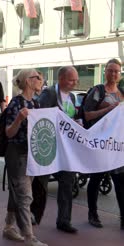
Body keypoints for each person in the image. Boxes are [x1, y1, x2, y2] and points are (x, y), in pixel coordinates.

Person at [3, 69, 47, 246]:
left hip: (32, 155)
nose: (41, 80)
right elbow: (9, 133)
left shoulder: (35, 104)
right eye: (38, 77)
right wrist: (19, 119)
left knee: (18, 194)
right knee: (25, 196)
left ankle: (8, 226)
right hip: (18, 154)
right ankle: (29, 238)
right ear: (28, 81)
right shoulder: (16, 103)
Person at [37, 66, 80, 233]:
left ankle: (64, 220)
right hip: (49, 147)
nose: (75, 83)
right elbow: (42, 117)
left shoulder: (72, 97)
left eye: (76, 80)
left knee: (68, 183)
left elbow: (73, 116)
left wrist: (77, 123)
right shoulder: (49, 94)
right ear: (61, 78)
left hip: (66, 149)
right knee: (41, 184)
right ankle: (32, 216)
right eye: (71, 80)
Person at [83, 58, 124, 230]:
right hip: (99, 143)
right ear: (105, 71)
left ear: (120, 73)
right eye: (110, 70)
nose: (113, 74)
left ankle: (123, 217)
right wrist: (108, 109)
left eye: (117, 71)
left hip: (117, 145)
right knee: (96, 179)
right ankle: (93, 213)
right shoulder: (97, 91)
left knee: (121, 181)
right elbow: (87, 115)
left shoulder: (122, 92)